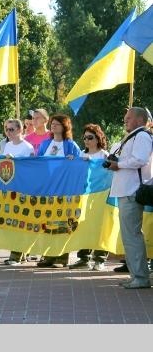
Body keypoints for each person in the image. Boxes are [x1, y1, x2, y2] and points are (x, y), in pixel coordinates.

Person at [107, 107, 153, 289]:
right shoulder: (133, 136)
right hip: (126, 190)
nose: (125, 120)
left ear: (140, 120)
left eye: (129, 117)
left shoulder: (141, 136)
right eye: (125, 117)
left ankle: (140, 277)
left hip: (132, 190)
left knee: (132, 235)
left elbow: (140, 160)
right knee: (130, 235)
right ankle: (136, 275)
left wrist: (118, 165)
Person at [35, 114, 81, 268]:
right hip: (48, 189)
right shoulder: (45, 144)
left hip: (64, 190)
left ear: (65, 127)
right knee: (47, 222)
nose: (53, 126)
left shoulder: (71, 145)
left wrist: (73, 161)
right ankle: (48, 256)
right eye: (52, 123)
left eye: (57, 124)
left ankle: (61, 258)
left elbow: (79, 165)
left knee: (62, 223)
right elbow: (38, 163)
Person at [68, 123, 110, 271]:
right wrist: (72, 161)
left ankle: (99, 259)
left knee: (100, 226)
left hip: (100, 196)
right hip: (84, 196)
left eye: (90, 137)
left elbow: (109, 175)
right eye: (85, 138)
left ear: (98, 138)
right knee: (84, 225)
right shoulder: (81, 154)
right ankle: (83, 258)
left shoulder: (104, 155)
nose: (86, 140)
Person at [0, 119, 35, 266]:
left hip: (23, 188)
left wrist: (17, 161)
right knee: (12, 221)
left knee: (20, 221)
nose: (8, 132)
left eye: (11, 129)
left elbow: (30, 167)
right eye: (6, 129)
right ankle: (22, 254)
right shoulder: (7, 145)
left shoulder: (27, 147)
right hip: (9, 188)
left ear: (20, 130)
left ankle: (16, 255)